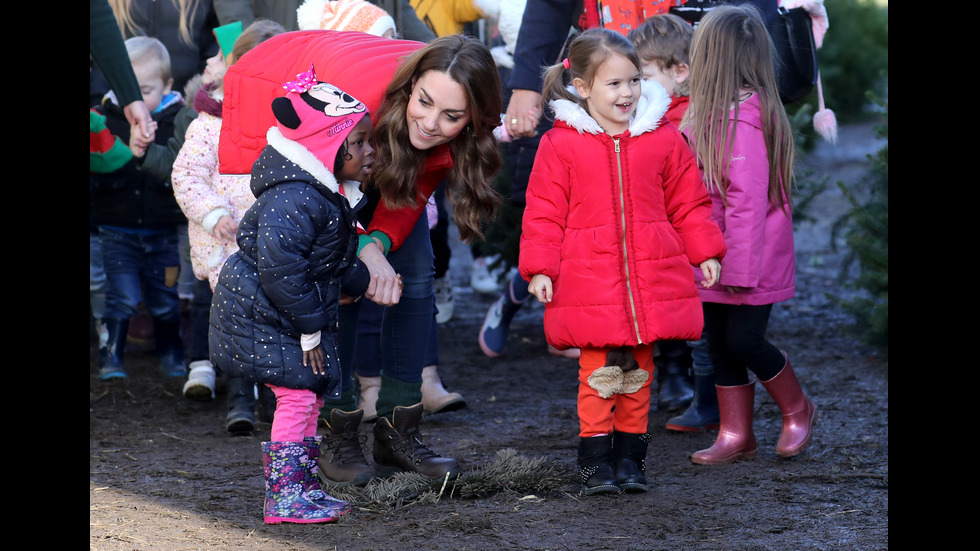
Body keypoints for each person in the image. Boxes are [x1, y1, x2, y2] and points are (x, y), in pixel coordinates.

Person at [216, 31, 502, 484]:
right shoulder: (360, 103)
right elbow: (316, 195)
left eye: (451, 116)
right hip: (319, 166)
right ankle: (337, 429)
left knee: (417, 281)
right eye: (424, 102)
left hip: (379, 167)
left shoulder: (453, 135)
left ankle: (397, 433)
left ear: (472, 119)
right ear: (410, 87)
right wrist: (359, 250)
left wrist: (378, 246)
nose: (430, 123)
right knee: (338, 286)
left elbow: (412, 192)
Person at [520, 28, 726, 495]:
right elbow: (544, 212)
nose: (627, 93)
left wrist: (705, 251)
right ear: (584, 87)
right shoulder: (562, 145)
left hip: (650, 282)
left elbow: (688, 203)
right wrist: (540, 269)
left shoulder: (663, 139)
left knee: (637, 375)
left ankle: (631, 460)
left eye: (633, 81)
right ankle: (595, 461)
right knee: (598, 377)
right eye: (613, 84)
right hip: (589, 286)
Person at [209, 72, 376, 523]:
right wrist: (309, 328)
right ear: (326, 147)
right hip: (265, 316)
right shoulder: (295, 198)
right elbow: (281, 270)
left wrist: (360, 281)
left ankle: (302, 487)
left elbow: (328, 260)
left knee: (310, 398)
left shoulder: (323, 195)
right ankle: (283, 494)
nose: (370, 152)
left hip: (286, 315)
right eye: (358, 143)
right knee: (299, 397)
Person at [680, 4, 815, 465]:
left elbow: (746, 205)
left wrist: (734, 268)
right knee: (718, 345)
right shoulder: (709, 114)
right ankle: (736, 434)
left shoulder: (746, 122)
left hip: (746, 263)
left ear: (713, 58)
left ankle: (797, 408)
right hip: (717, 259)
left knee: (744, 341)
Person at [162, 21, 286, 433]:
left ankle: (275, 396)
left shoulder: (291, 121)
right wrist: (214, 214)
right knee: (237, 318)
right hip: (227, 238)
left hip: (275, 238)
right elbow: (187, 175)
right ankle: (240, 396)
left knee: (277, 316)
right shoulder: (210, 123)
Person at [627, 13, 720, 427]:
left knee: (689, 315)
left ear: (679, 71)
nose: (633, 88)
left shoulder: (692, 118)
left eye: (641, 76)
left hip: (683, 231)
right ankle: (660, 379)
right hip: (651, 231)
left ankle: (686, 382)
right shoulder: (640, 114)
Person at [91, 36, 189, 380]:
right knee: (122, 297)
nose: (136, 99)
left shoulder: (179, 121)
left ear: (167, 86)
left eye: (145, 90)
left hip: (163, 232)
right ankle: (111, 356)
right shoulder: (103, 119)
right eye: (127, 88)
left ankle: (172, 353)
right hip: (116, 230)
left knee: (165, 297)